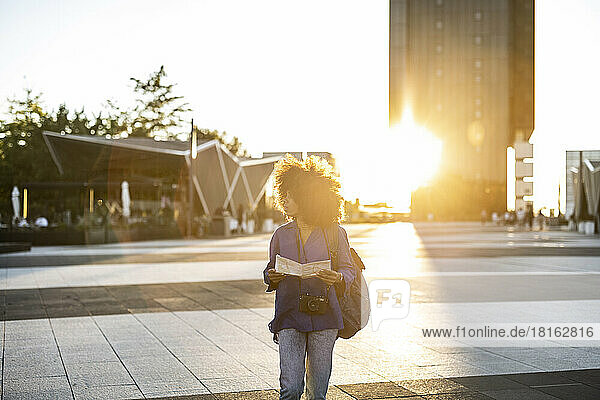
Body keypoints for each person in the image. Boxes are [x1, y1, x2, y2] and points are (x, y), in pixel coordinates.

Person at [263, 154, 356, 400]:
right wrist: (271, 276)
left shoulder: (335, 233)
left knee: (317, 393)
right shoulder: (281, 235)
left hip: (325, 317)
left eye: (290, 195)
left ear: (306, 197)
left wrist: (336, 277)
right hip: (289, 315)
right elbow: (270, 269)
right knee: (291, 389)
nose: (285, 200)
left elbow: (349, 270)